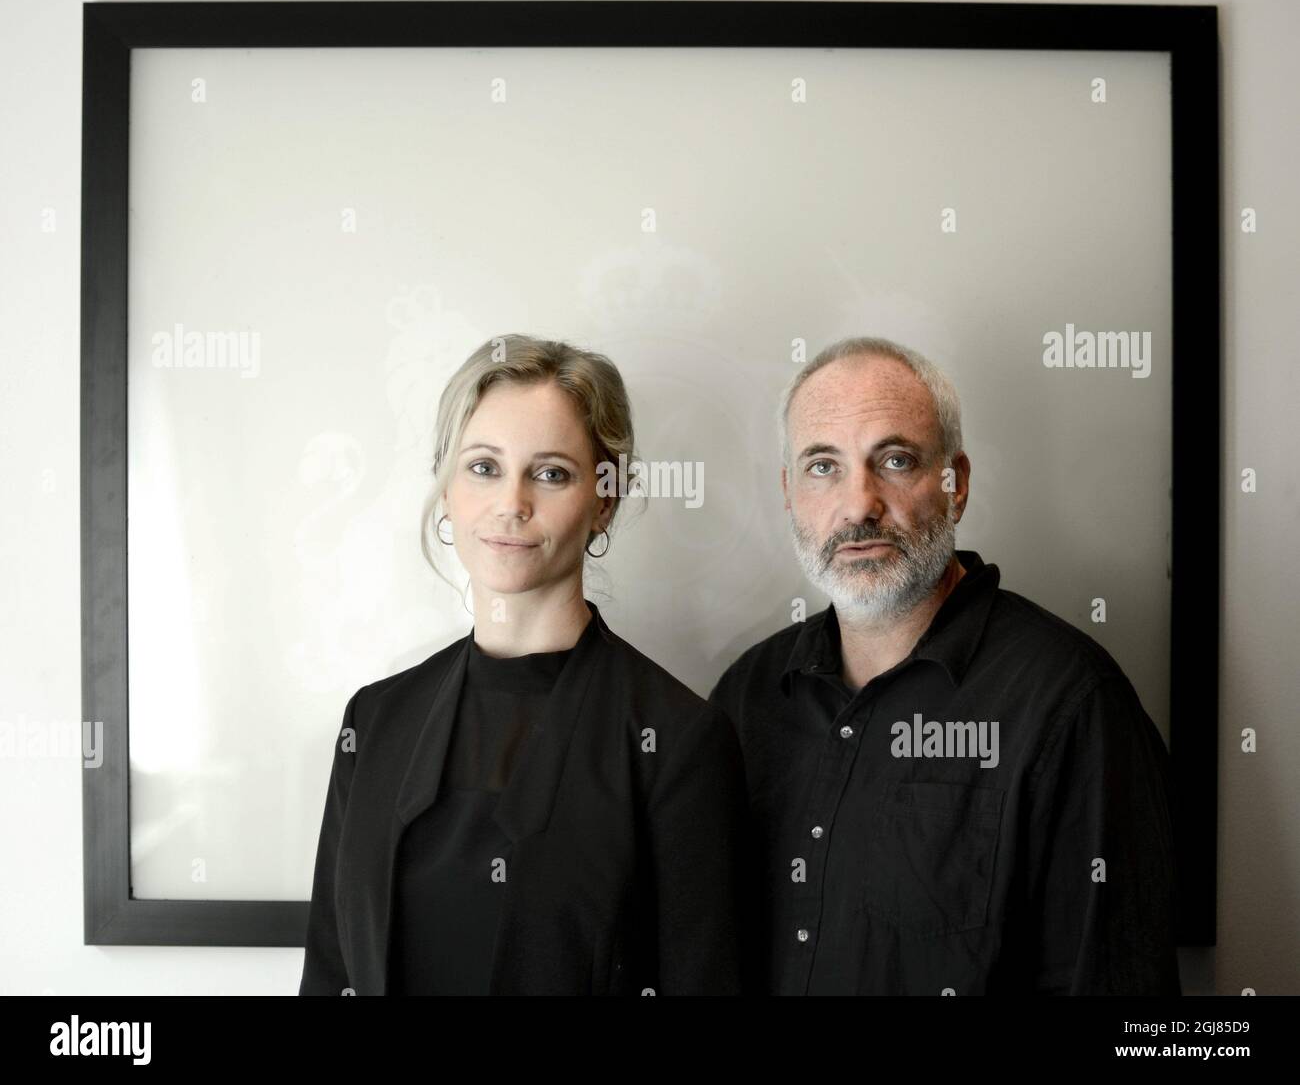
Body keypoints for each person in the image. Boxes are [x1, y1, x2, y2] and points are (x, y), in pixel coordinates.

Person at [708, 336, 1180, 995]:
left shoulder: (1072, 703)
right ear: (789, 493)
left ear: (956, 486)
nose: (858, 505)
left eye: (895, 460)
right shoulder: (745, 697)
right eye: (823, 466)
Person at [300, 334, 748, 995]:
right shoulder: (374, 721)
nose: (512, 503)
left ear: (604, 502)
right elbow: (332, 973)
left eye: (550, 472)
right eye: (484, 467)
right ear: (448, 487)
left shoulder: (679, 741)